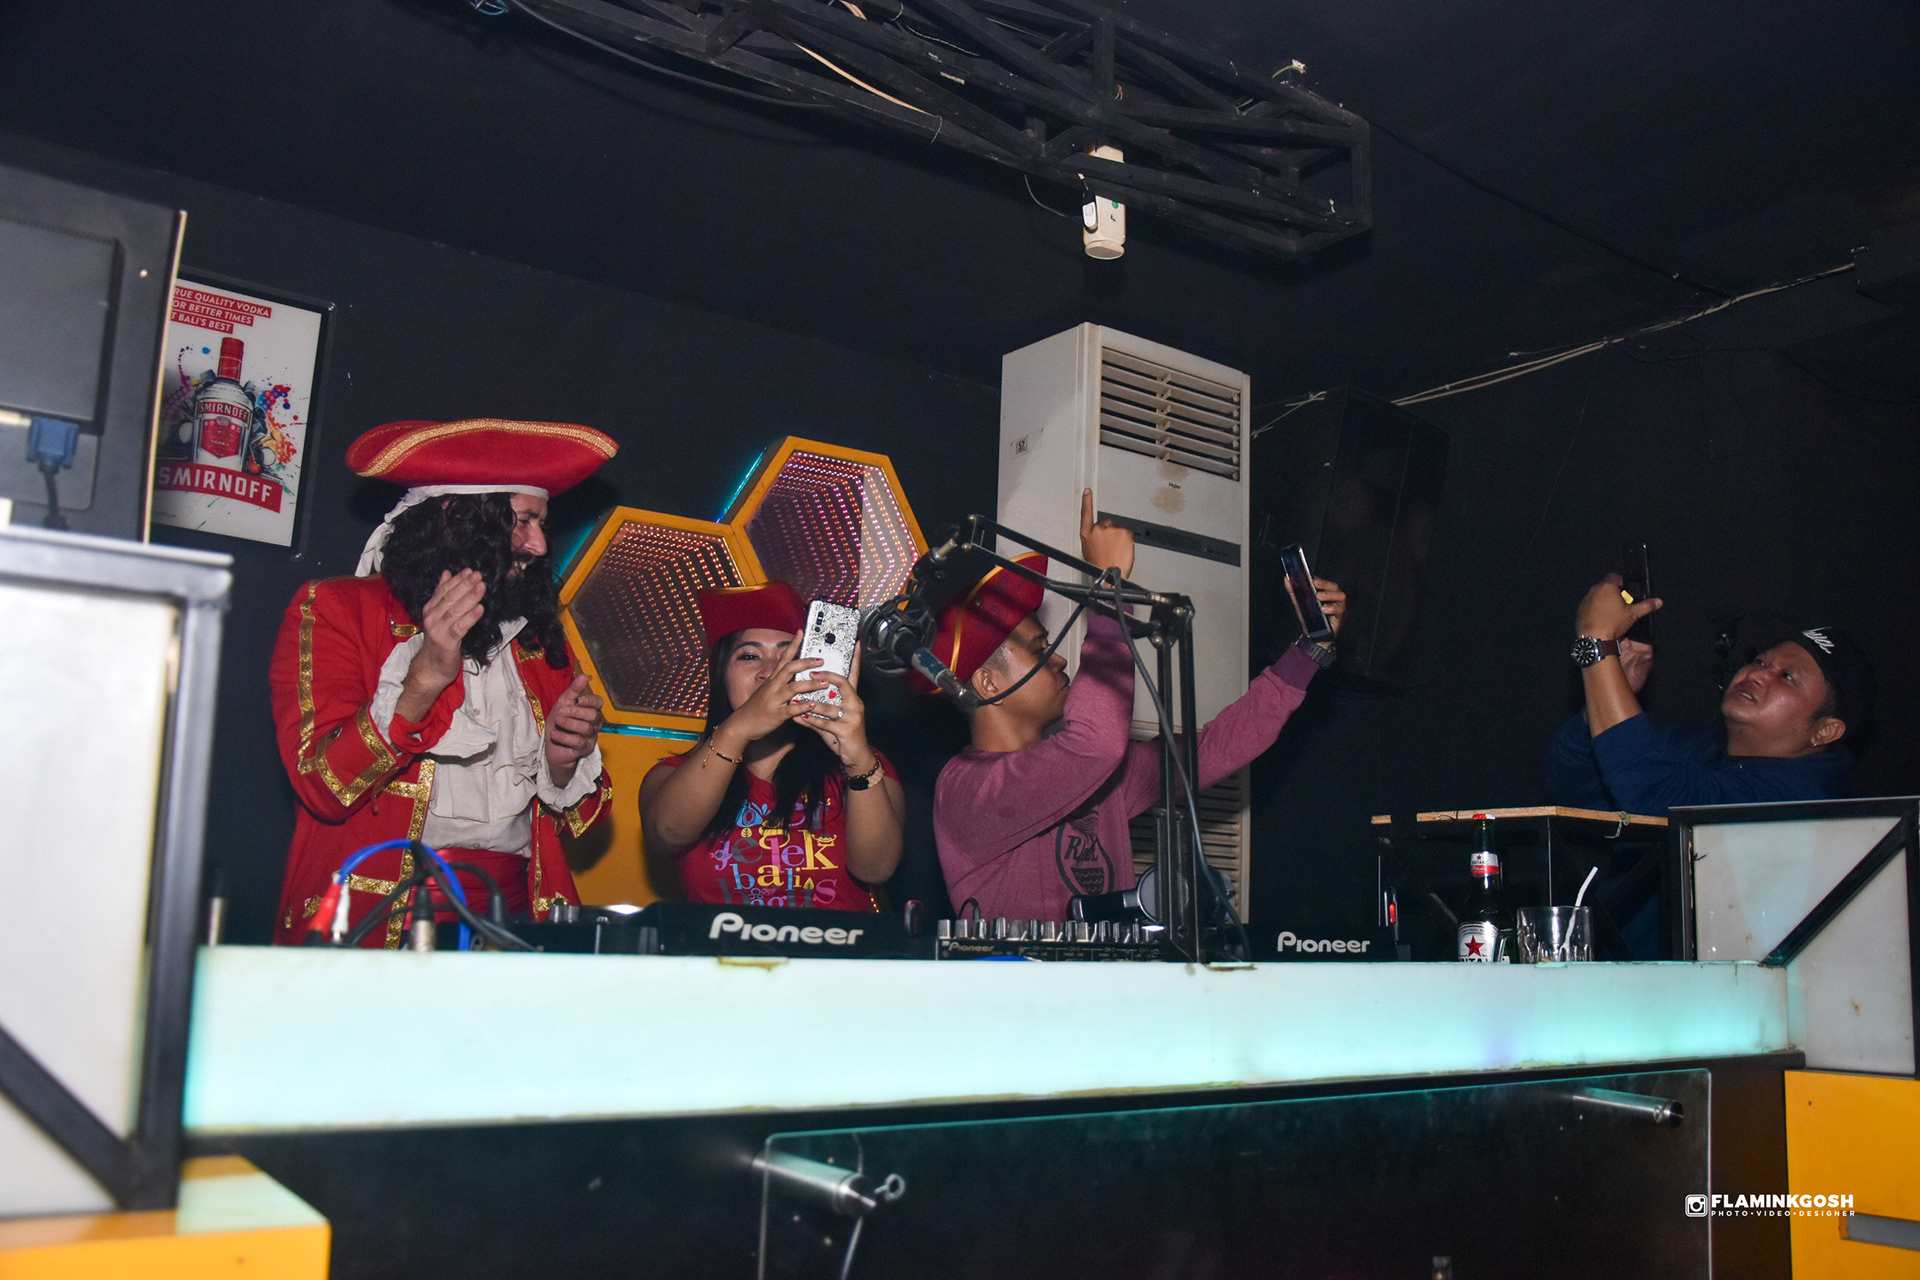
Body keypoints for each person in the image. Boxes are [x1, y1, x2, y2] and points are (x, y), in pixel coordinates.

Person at [270, 417, 617, 946]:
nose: (539, 544)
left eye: (541, 524)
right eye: (524, 521)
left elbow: (584, 820)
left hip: (514, 924)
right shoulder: (338, 610)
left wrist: (562, 761)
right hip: (377, 925)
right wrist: (425, 679)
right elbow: (323, 788)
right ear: (458, 519)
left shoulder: (536, 638)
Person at [933, 491, 1346, 922]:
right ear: (988, 682)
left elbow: (1214, 749)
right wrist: (1107, 588)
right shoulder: (967, 791)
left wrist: (1309, 651)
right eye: (1039, 649)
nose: (1058, 660)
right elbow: (1095, 745)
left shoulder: (1097, 776)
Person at [638, 582, 906, 910]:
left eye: (788, 657)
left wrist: (857, 760)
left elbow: (876, 868)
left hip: (836, 943)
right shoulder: (675, 774)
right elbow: (667, 831)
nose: (770, 673)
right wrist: (737, 730)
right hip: (721, 942)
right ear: (720, 675)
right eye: (750, 656)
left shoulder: (864, 765)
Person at [1547, 575, 1873, 814]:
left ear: (1825, 731)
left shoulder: (1805, 799)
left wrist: (1598, 644)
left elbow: (1659, 796)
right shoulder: (1697, 746)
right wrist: (1610, 691)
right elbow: (1574, 790)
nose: (1757, 674)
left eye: (1786, 677)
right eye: (1760, 661)